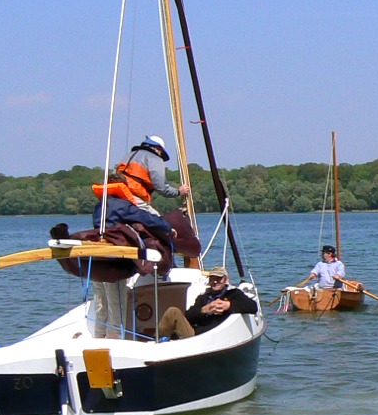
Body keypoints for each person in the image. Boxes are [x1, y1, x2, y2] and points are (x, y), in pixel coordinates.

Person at [90, 174, 174, 339]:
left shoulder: (99, 206)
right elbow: (146, 218)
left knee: (101, 303)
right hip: (113, 261)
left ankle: (99, 337)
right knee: (116, 302)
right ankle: (114, 340)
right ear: (122, 187)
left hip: (96, 258)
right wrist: (167, 227)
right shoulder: (120, 205)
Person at [157, 265, 257, 340]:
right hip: (197, 336)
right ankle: (160, 342)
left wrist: (228, 305)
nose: (215, 281)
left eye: (219, 278)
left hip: (221, 335)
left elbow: (252, 307)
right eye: (213, 278)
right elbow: (188, 317)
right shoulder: (203, 297)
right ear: (209, 280)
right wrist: (204, 310)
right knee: (173, 311)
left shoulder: (233, 294)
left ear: (226, 280)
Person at [115, 134, 190, 215]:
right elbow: (161, 187)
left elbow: (115, 173)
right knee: (160, 223)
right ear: (158, 149)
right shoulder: (155, 158)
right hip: (134, 197)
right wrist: (178, 192)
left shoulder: (129, 155)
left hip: (117, 193)